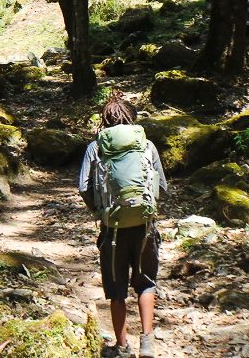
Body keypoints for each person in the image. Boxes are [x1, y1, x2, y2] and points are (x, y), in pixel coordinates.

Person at [78, 94, 167, 358]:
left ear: (104, 120)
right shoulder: (146, 145)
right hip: (145, 226)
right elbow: (161, 185)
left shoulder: (96, 147)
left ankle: (122, 345)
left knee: (116, 289)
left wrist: (100, 211)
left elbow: (84, 186)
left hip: (112, 229)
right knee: (146, 282)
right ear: (132, 118)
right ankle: (147, 342)